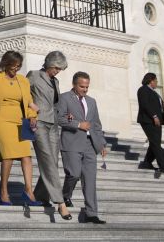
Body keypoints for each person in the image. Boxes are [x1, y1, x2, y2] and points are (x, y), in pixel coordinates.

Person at [0, 50, 40, 206]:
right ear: (6, 63)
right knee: (8, 156)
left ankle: (29, 192)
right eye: (14, 66)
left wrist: (33, 116)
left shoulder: (23, 80)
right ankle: (3, 192)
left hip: (20, 121)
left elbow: (29, 101)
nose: (16, 69)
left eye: (19, 66)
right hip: (1, 120)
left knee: (26, 156)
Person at [55, 71, 108, 224]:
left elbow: (96, 124)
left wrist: (102, 143)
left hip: (90, 145)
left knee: (90, 180)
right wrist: (78, 124)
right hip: (71, 142)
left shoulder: (92, 101)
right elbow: (59, 118)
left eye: (87, 86)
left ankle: (92, 213)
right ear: (74, 84)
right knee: (74, 173)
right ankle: (65, 195)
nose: (85, 89)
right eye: (82, 86)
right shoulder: (64, 98)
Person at [28, 50, 71, 218]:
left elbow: (54, 103)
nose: (57, 71)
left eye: (59, 69)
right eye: (56, 68)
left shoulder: (56, 81)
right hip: (38, 122)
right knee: (47, 160)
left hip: (53, 124)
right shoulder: (34, 75)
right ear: (49, 64)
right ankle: (60, 202)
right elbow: (22, 94)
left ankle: (40, 195)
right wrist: (31, 106)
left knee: (53, 161)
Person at [138, 72, 164, 175]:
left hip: (157, 121)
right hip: (148, 120)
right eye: (156, 81)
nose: (157, 83)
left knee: (155, 143)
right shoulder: (143, 90)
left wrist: (162, 105)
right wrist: (154, 116)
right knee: (156, 143)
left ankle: (146, 163)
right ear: (151, 81)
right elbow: (145, 105)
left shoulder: (154, 92)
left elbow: (154, 104)